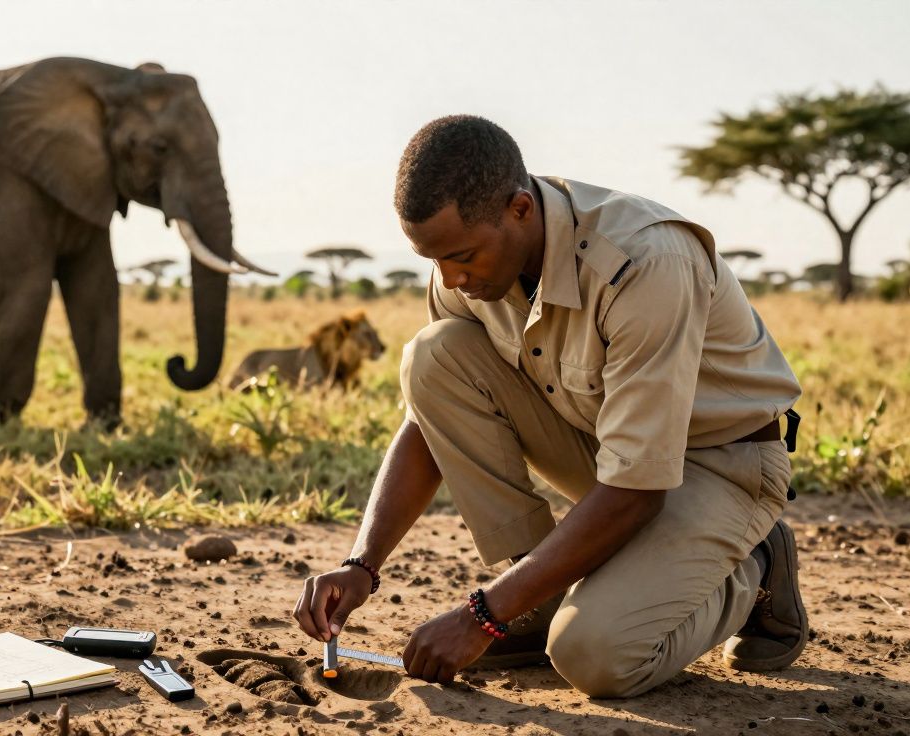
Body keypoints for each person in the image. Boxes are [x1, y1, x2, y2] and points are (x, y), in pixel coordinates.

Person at [292, 115, 805, 698]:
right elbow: (431, 421)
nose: (451, 279)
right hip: (608, 455)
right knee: (433, 356)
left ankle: (754, 566)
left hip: (718, 465)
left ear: (519, 209)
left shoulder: (646, 260)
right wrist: (361, 566)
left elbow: (638, 491)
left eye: (461, 256)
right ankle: (540, 599)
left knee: (596, 657)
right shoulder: (467, 274)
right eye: (432, 260)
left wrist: (482, 616)